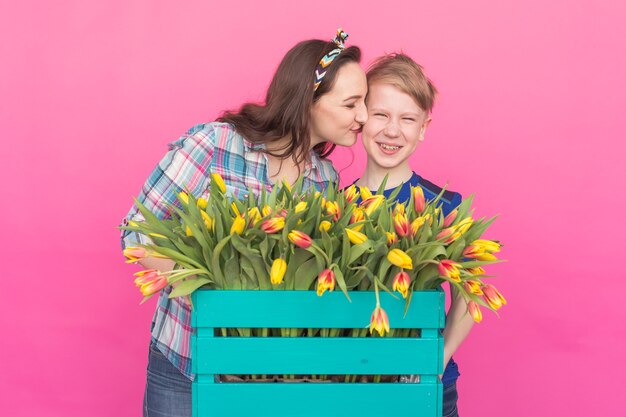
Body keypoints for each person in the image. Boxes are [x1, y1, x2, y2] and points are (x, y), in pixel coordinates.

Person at [121, 30, 368, 417]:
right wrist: (209, 297)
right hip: (186, 361)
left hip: (265, 378)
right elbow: (136, 231)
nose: (364, 117)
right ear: (308, 100)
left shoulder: (326, 180)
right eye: (352, 103)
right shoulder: (214, 145)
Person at [352, 53, 472, 417]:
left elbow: (470, 297)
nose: (392, 130)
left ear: (423, 127)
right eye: (381, 115)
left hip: (427, 385)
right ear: (361, 117)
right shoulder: (333, 204)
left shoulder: (444, 205)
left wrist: (438, 359)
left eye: (407, 119)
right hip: (353, 382)